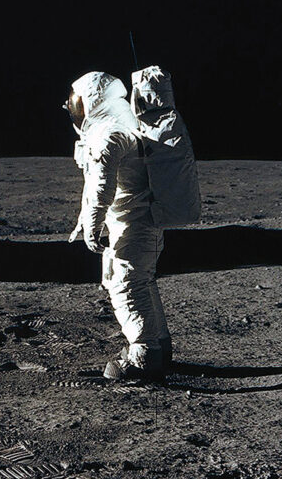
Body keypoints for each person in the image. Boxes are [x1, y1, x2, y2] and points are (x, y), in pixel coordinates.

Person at [65, 71, 171, 380]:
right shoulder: (123, 123)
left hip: (133, 223)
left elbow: (102, 185)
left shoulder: (110, 132)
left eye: (78, 104)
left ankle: (144, 356)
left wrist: (92, 225)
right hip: (138, 221)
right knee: (140, 282)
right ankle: (160, 347)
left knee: (127, 286)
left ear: (93, 102)